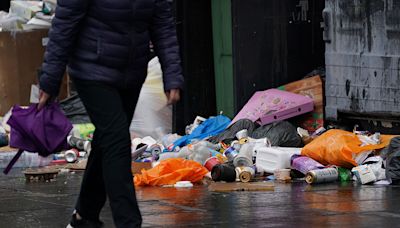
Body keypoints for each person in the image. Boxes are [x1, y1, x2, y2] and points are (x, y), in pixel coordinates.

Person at [37, 0, 184, 227]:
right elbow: (64, 24)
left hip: (131, 73)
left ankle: (84, 216)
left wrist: (172, 74)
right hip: (91, 70)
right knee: (116, 140)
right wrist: (50, 79)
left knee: (107, 140)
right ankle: (129, 222)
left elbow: (163, 24)